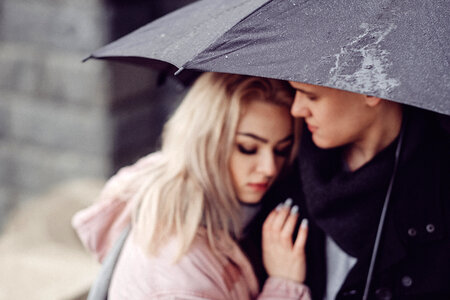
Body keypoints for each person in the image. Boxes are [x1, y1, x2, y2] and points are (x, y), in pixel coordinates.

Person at [72, 72, 312, 300]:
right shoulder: (176, 269)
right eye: (247, 148)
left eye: (281, 150)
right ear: (205, 143)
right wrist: (284, 284)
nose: (269, 168)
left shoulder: (212, 216)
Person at [250, 81, 449, 299]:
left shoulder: (438, 181)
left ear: (371, 90)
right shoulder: (284, 166)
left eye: (312, 96)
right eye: (295, 92)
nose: (296, 109)